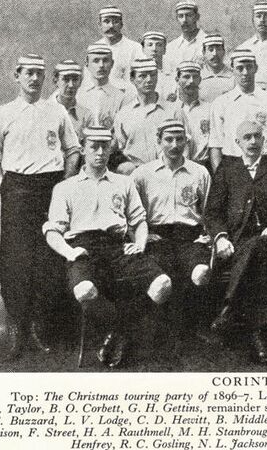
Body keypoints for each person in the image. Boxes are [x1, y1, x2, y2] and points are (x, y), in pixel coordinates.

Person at [43, 126, 172, 369]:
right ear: (83, 149)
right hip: (83, 249)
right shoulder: (65, 187)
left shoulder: (123, 183)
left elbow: (139, 221)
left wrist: (139, 244)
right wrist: (69, 252)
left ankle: (118, 333)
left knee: (162, 285)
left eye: (105, 146)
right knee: (84, 291)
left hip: (117, 247)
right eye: (94, 146)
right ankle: (120, 331)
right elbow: (52, 231)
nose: (100, 152)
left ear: (111, 148)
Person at [0, 54, 81, 359]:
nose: (35, 79)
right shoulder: (3, 113)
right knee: (14, 262)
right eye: (29, 73)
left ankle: (40, 326)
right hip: (16, 189)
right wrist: (5, 185)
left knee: (48, 261)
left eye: (40, 73)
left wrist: (63, 185)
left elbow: (74, 151)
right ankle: (18, 327)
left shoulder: (56, 111)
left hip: (50, 188)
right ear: (17, 75)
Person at [204, 121, 267, 366]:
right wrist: (221, 237)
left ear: (264, 140)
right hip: (237, 243)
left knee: (257, 247)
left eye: (257, 137)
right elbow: (212, 212)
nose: (252, 141)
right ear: (237, 143)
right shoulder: (227, 171)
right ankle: (260, 337)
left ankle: (229, 308)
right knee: (255, 258)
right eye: (247, 137)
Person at [132, 120, 211, 340]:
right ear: (159, 141)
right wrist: (141, 235)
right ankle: (162, 331)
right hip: (157, 236)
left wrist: (207, 235)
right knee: (161, 276)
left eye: (179, 139)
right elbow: (132, 213)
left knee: (200, 271)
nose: (175, 145)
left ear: (186, 141)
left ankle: (192, 328)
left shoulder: (199, 172)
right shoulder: (142, 174)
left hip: (190, 236)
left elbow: (208, 211)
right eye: (168, 139)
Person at [208, 48, 267, 172]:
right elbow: (215, 146)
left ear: (256, 68)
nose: (245, 72)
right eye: (240, 68)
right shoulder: (221, 103)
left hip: (265, 166)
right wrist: (220, 177)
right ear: (232, 69)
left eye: (249, 67)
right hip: (233, 166)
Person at [113, 57, 170, 174]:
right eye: (142, 76)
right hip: (134, 173)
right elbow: (119, 149)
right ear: (132, 79)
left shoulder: (172, 111)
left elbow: (184, 148)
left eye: (153, 75)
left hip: (166, 172)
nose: (149, 80)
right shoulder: (123, 114)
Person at [165, 61, 212, 170]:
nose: (191, 81)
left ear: (200, 80)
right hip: (175, 167)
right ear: (177, 79)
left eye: (195, 77)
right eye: (186, 77)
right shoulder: (169, 109)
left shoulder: (210, 109)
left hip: (204, 166)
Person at [76, 44, 128, 129]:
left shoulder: (121, 97)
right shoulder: (78, 94)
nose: (101, 65)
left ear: (112, 64)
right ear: (87, 63)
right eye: (96, 61)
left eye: (105, 60)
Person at [95, 5, 142, 92]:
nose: (111, 26)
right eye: (106, 21)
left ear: (121, 25)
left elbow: (138, 81)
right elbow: (88, 82)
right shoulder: (95, 48)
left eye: (115, 22)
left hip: (128, 96)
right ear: (99, 24)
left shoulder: (135, 48)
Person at [47, 59, 94, 141]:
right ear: (55, 80)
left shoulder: (86, 115)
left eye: (75, 80)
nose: (71, 85)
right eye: (66, 79)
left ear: (80, 82)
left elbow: (89, 146)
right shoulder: (43, 111)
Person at [164, 0, 206, 75]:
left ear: (197, 17)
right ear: (177, 19)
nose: (184, 20)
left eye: (189, 15)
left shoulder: (208, 42)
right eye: (181, 16)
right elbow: (168, 75)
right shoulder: (171, 47)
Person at [198, 33, 235, 103]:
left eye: (218, 49)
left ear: (224, 52)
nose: (215, 54)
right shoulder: (197, 77)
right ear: (204, 53)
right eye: (211, 50)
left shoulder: (234, 77)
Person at [141, 31, 177, 101]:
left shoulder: (174, 74)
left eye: (159, 45)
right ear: (143, 49)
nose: (154, 49)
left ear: (164, 50)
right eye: (150, 45)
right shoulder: (137, 74)